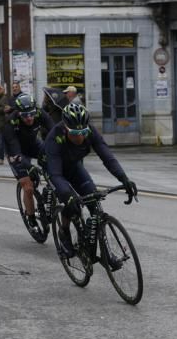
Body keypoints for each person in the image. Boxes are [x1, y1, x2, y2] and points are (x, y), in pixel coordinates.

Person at [44, 102, 137, 258]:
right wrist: (67, 196)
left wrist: (124, 179)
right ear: (66, 128)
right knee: (71, 204)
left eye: (83, 131)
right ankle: (64, 232)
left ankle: (105, 253)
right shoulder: (54, 138)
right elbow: (55, 174)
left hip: (74, 166)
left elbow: (107, 157)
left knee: (94, 203)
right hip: (54, 170)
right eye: (74, 132)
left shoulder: (90, 131)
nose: (79, 136)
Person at [3, 93, 54, 233]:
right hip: (16, 152)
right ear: (18, 113)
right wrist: (29, 167)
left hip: (33, 144)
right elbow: (16, 152)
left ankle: (48, 196)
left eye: (31, 114)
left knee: (53, 165)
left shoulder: (39, 113)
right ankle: (31, 218)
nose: (29, 118)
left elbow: (54, 131)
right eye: (25, 115)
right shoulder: (10, 122)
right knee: (28, 187)